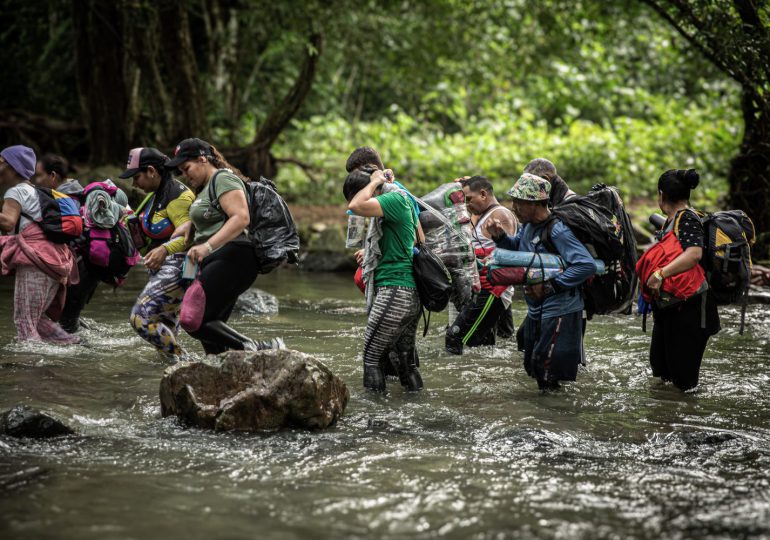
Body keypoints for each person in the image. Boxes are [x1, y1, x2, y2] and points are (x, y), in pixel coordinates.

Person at [170, 138, 284, 354]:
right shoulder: (205, 188)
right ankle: (224, 372)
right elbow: (213, 218)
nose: (185, 175)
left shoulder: (222, 179)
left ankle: (262, 348)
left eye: (187, 168)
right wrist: (190, 227)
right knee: (209, 329)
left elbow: (241, 218)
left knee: (191, 319)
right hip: (221, 258)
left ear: (203, 159)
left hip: (235, 256)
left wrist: (207, 247)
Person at [487, 173, 594, 391]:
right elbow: (519, 248)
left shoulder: (557, 230)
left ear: (535, 204)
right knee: (534, 365)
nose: (513, 207)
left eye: (519, 202)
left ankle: (556, 418)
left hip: (560, 310)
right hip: (537, 309)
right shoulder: (528, 226)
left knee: (547, 370)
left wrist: (550, 287)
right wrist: (500, 237)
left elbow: (585, 265)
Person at [639, 169, 720, 391]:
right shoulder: (671, 221)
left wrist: (660, 274)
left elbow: (694, 254)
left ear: (661, 194)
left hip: (691, 309)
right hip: (671, 307)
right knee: (662, 370)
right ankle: (667, 417)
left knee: (684, 381)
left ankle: (685, 422)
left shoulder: (686, 218)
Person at [344, 167, 422, 392]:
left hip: (395, 291)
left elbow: (356, 205)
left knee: (371, 358)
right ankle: (416, 406)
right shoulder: (398, 198)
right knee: (404, 363)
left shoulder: (394, 198)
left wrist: (372, 182)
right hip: (407, 292)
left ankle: (374, 418)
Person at [0, 145, 80, 344]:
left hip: (35, 262)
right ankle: (75, 346)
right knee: (36, 321)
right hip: (55, 261)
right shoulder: (35, 192)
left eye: (1, 163)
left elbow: (8, 222)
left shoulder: (15, 192)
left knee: (24, 322)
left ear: (13, 168)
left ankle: (32, 369)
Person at [120, 147, 195, 358]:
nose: (134, 184)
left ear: (152, 171)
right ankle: (177, 372)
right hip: (163, 268)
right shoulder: (155, 195)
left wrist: (164, 249)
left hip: (180, 266)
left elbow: (190, 236)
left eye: (136, 177)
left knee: (140, 318)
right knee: (164, 330)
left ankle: (186, 361)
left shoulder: (178, 196)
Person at [445, 176, 518, 354]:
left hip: (493, 289)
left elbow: (512, 253)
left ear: (483, 194)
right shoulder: (481, 215)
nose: (467, 204)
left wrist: (487, 260)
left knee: (456, 338)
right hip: (480, 288)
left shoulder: (500, 214)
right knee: (481, 347)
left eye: (469, 199)